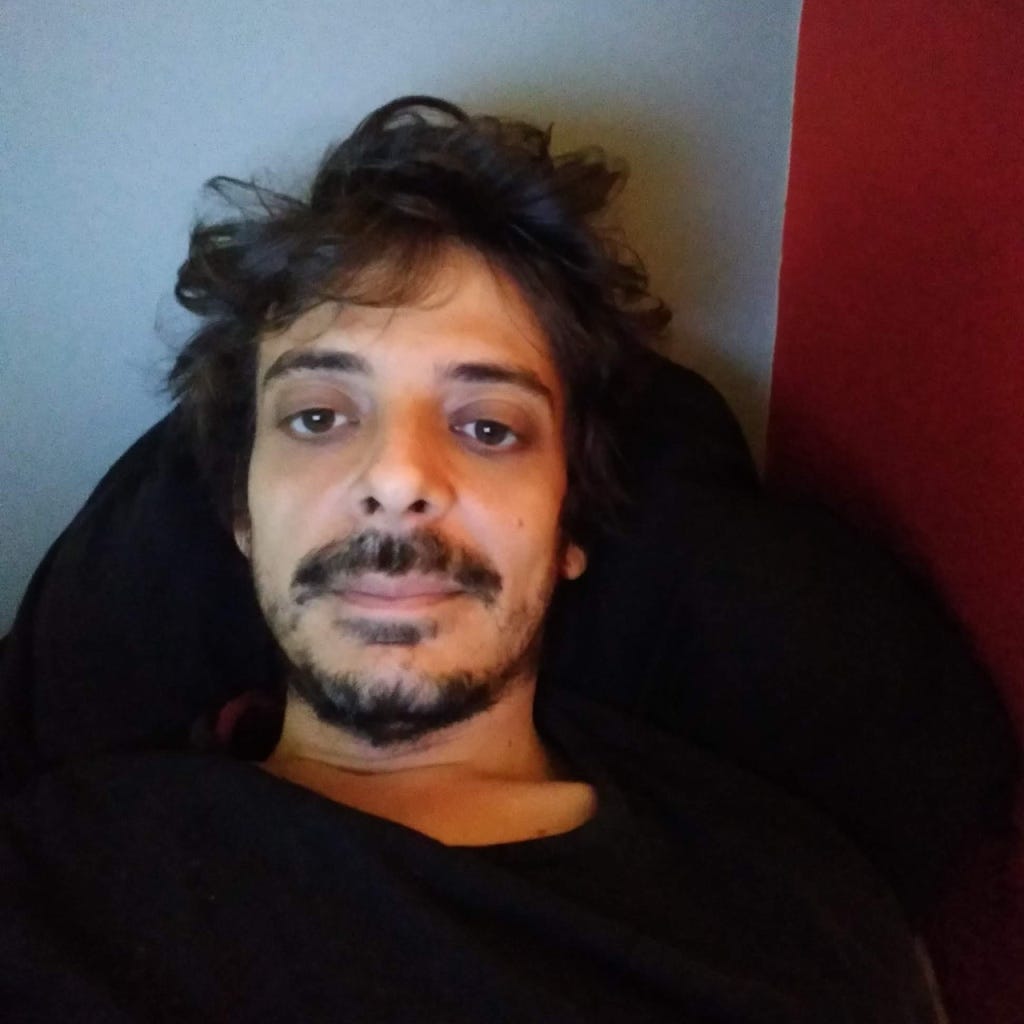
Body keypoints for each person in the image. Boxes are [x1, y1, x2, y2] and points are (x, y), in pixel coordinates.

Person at [2, 96, 942, 1022]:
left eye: (489, 427)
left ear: (569, 526)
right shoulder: (57, 882)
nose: (398, 477)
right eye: (319, 416)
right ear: (241, 516)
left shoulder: (791, 917)